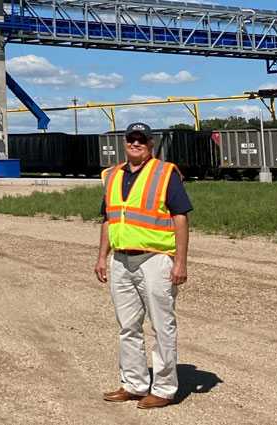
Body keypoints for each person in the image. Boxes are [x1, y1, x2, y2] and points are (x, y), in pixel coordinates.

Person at [95, 122, 192, 409]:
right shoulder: (112, 175)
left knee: (162, 327)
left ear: (151, 145)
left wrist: (181, 262)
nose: (136, 143)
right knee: (127, 327)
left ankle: (163, 389)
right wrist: (102, 256)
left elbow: (181, 218)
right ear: (124, 143)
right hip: (122, 260)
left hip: (156, 259)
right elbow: (108, 219)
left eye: (142, 140)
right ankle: (134, 384)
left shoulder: (164, 173)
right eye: (131, 139)